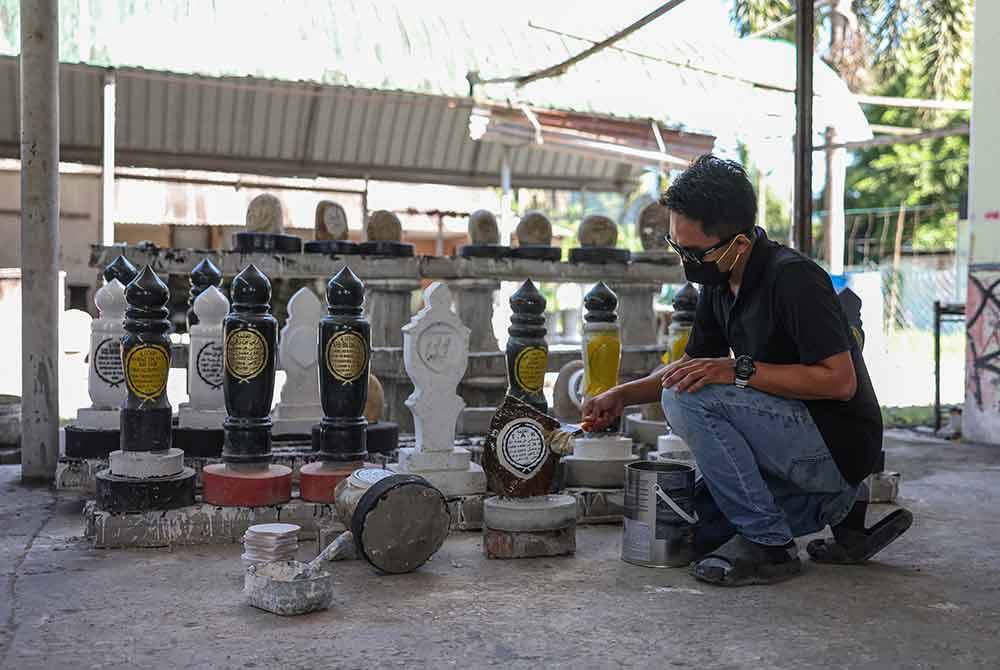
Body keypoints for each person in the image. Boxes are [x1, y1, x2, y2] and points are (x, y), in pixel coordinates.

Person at [582, 155, 912, 586]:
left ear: (740, 244)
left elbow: (839, 381)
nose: (685, 260)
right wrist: (621, 396)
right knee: (692, 531)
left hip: (837, 447)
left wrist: (737, 370)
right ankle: (842, 517)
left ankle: (770, 546)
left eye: (694, 251)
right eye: (675, 245)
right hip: (797, 444)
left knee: (686, 398)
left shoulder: (794, 279)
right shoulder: (719, 282)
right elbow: (691, 366)